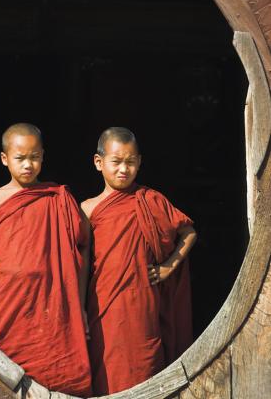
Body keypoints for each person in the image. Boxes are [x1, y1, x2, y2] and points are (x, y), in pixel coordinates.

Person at [0, 123, 92, 397]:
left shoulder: (58, 198)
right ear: (5, 159)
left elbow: (84, 246)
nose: (28, 165)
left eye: (35, 157)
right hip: (10, 304)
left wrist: (81, 303)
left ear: (43, 156)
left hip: (55, 307)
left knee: (61, 376)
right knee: (7, 377)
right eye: (20, 158)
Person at [82, 127, 197, 396]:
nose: (124, 169)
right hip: (103, 303)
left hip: (143, 304)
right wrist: (79, 308)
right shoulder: (87, 209)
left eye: (131, 162)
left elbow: (188, 232)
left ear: (140, 162)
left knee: (145, 367)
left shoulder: (150, 200)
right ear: (99, 163)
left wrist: (168, 267)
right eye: (117, 162)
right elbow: (81, 264)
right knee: (107, 368)